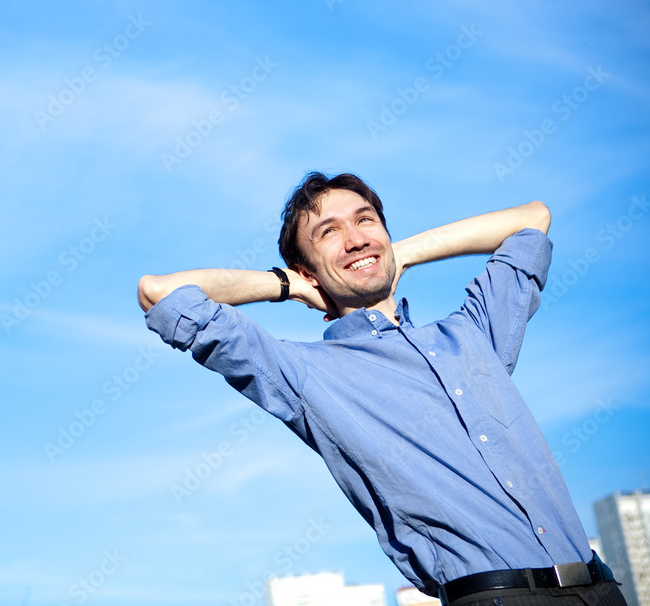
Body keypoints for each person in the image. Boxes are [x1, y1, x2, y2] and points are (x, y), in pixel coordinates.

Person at [138, 172, 625, 606]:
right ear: (307, 270)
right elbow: (158, 291)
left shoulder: (473, 334)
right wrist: (289, 284)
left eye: (365, 220)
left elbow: (532, 220)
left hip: (603, 589)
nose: (354, 240)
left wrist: (399, 254)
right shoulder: (304, 373)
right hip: (494, 597)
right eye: (328, 232)